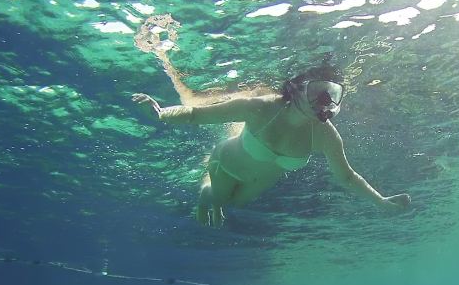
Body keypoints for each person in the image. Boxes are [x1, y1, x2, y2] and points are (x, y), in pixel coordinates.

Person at [133, 60, 410, 228]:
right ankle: (207, 191)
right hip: (227, 164)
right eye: (317, 91)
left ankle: (216, 197)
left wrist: (381, 202)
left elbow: (347, 177)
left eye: (332, 96)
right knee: (218, 199)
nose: (323, 103)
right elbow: (195, 114)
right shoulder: (262, 108)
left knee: (234, 205)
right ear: (297, 88)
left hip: (257, 183)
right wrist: (161, 115)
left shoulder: (325, 134)